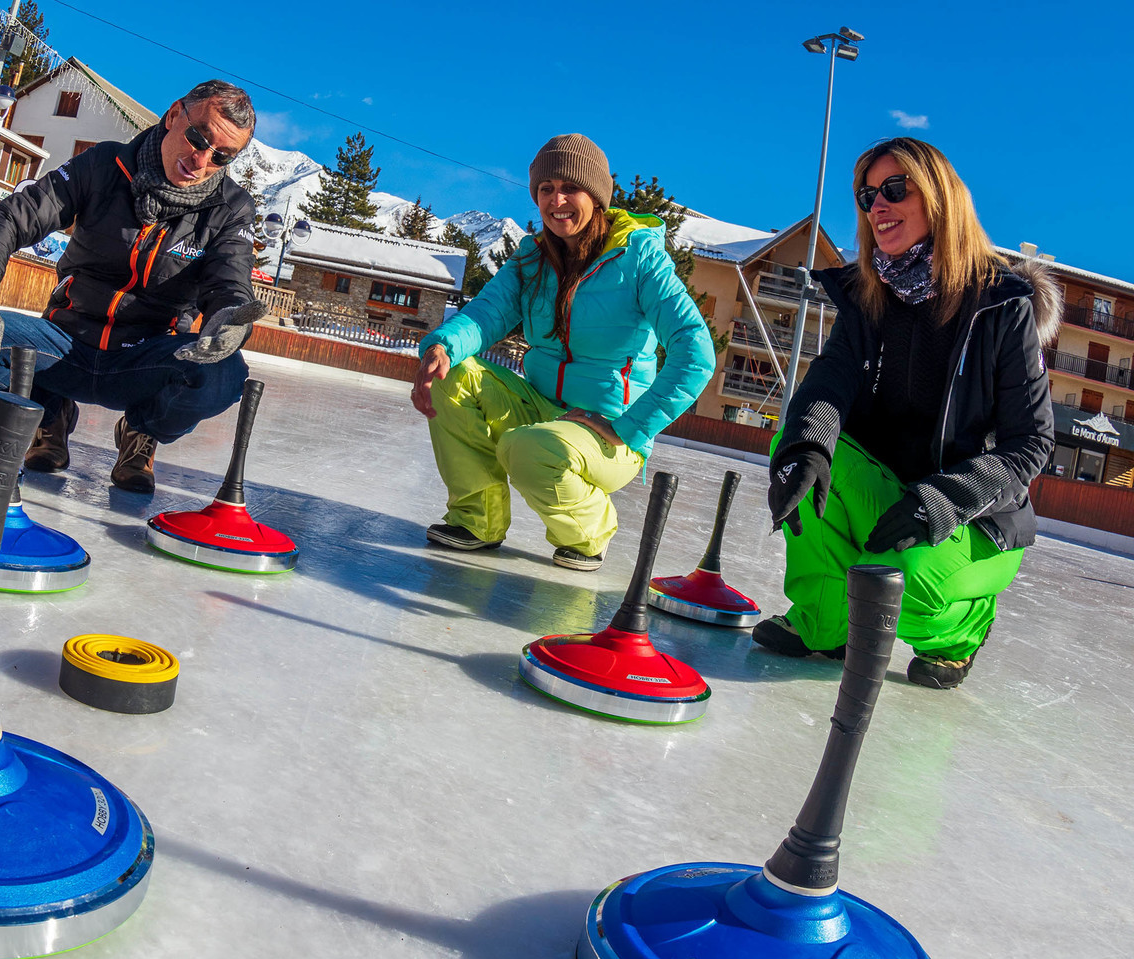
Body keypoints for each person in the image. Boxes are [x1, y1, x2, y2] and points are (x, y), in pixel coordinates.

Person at [756, 137, 1058, 690]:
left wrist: (941, 501)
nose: (878, 206)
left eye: (896, 189)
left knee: (907, 585)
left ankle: (962, 630)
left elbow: (1031, 442)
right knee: (798, 448)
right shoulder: (868, 297)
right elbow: (830, 383)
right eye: (867, 195)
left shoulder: (1003, 305)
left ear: (940, 197)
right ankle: (825, 623)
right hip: (889, 490)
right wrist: (805, 449)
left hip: (974, 513)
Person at [0, 78, 261, 494]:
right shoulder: (103, 165)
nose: (201, 160)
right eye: (199, 138)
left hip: (145, 359)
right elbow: (12, 217)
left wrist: (229, 322)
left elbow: (230, 284)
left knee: (224, 376)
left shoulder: (230, 210)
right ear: (175, 114)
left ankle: (140, 431)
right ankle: (47, 414)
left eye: (221, 156)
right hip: (64, 343)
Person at [411, 135, 716, 568]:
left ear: (596, 194)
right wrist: (442, 347)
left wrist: (630, 428)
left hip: (608, 433)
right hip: (539, 408)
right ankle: (478, 520)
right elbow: (486, 314)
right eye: (546, 189)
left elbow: (696, 352)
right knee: (452, 373)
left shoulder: (640, 259)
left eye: (570, 187)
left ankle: (591, 533)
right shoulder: (531, 259)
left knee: (530, 448)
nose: (557, 200)